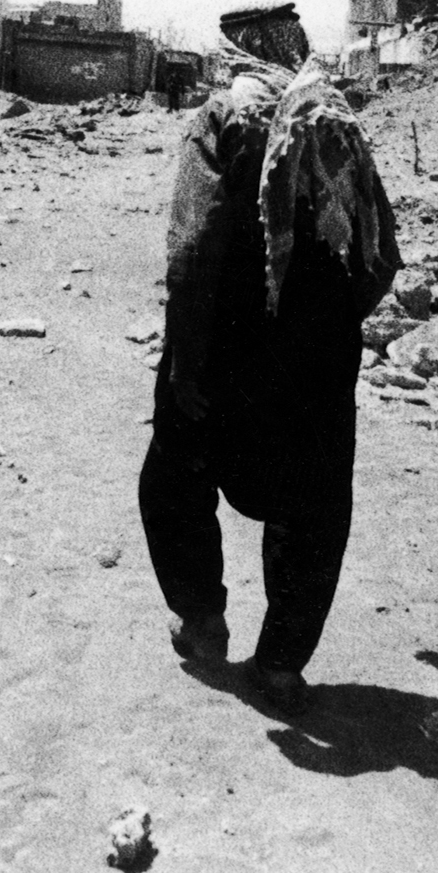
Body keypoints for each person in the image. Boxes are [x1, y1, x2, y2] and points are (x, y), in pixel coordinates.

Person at [136, 65, 401, 708]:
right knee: (312, 506)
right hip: (317, 359)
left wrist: (187, 362)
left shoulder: (226, 118)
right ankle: (281, 664)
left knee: (175, 478)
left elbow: (193, 249)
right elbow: (380, 256)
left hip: (226, 345)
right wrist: (328, 326)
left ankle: (201, 622)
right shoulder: (336, 124)